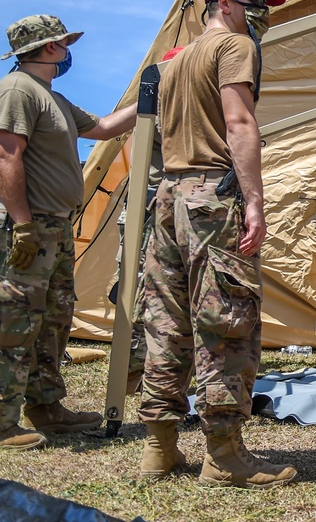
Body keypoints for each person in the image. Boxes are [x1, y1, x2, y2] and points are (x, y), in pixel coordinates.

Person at [138, 0, 295, 489]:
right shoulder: (234, 47)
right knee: (227, 321)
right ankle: (224, 455)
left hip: (169, 197)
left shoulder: (175, 61)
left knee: (166, 319)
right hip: (213, 195)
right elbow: (239, 123)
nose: (260, 13)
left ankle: (159, 450)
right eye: (252, 2)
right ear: (224, 4)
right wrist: (254, 201)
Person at [0, 14, 137, 451]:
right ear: (49, 48)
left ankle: (47, 408)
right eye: (64, 44)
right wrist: (23, 224)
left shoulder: (51, 98)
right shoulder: (15, 92)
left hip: (52, 226)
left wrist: (155, 95)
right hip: (19, 226)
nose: (68, 52)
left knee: (51, 320)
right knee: (8, 322)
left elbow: (103, 127)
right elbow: (6, 157)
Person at [114, 47, 183, 394]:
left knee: (162, 295)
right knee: (143, 294)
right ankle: (133, 377)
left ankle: (147, 377)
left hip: (157, 206)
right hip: (151, 208)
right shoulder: (162, 107)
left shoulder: (164, 105)